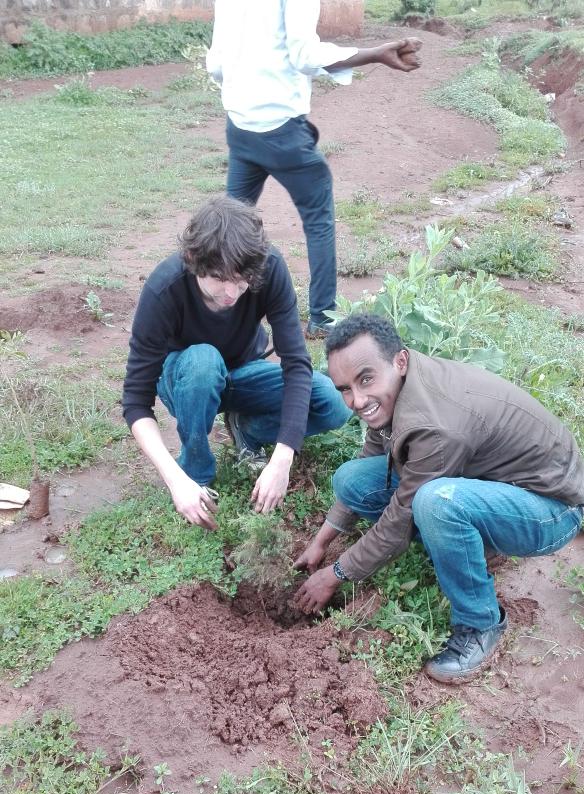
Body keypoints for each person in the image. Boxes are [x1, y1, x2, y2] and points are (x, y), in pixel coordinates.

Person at [294, 314, 584, 683]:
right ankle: (467, 544)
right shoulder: (397, 389)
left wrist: (335, 575)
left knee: (436, 502)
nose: (357, 399)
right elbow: (371, 458)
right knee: (352, 479)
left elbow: (398, 521)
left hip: (550, 508)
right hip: (493, 483)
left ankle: (481, 624)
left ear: (399, 361)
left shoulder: (435, 424)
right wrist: (322, 541)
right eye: (344, 388)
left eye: (365, 379)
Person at [122, 196, 351, 530]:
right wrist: (175, 480)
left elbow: (297, 365)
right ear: (192, 259)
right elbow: (135, 402)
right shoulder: (164, 288)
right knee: (203, 361)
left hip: (243, 373)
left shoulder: (269, 268)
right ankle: (196, 474)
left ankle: (247, 427)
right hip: (186, 378)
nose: (231, 292)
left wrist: (282, 457)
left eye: (242, 279)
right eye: (218, 278)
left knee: (332, 403)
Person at [206, 0, 422, 337]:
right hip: (282, 131)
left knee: (231, 224)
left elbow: (216, 64)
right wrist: (376, 54)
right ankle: (322, 315)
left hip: (240, 124)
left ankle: (219, 306)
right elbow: (304, 56)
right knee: (318, 220)